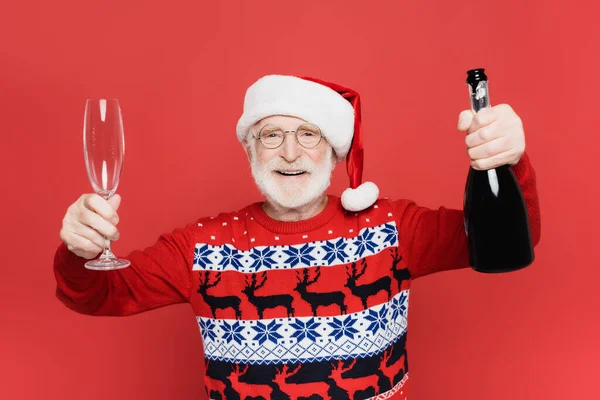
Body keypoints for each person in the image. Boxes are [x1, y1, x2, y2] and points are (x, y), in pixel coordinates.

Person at [55, 75, 541, 400]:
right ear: (250, 151)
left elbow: (515, 239)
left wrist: (510, 160)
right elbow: (98, 295)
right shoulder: (200, 246)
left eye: (309, 134)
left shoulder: (393, 228)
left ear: (333, 152)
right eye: (271, 135)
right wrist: (80, 250)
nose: (290, 152)